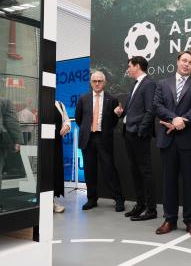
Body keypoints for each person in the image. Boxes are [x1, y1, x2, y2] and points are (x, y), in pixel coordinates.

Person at [152, 51, 191, 237]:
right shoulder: (162, 84)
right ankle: (170, 219)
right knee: (169, 182)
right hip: (168, 140)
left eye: (190, 62)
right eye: (184, 60)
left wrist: (183, 121)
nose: (186, 64)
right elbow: (157, 105)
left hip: (189, 141)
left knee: (190, 182)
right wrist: (174, 118)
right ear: (177, 61)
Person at [114, 56, 157, 221]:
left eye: (130, 66)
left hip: (138, 134)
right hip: (129, 133)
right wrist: (122, 113)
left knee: (145, 171)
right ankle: (140, 205)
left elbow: (150, 110)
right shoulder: (135, 85)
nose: (128, 69)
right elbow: (135, 111)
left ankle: (151, 210)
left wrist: (140, 130)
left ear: (137, 66)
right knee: (135, 171)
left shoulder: (148, 84)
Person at [75, 71, 125, 212]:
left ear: (105, 82)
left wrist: (118, 115)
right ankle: (91, 199)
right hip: (88, 139)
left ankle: (119, 199)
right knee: (89, 171)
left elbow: (114, 121)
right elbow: (79, 120)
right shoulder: (83, 99)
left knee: (109, 170)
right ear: (90, 82)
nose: (97, 83)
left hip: (104, 138)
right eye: (94, 81)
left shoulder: (112, 99)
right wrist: (87, 130)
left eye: (99, 81)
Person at [54, 100, 71, 213]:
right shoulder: (37, 100)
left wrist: (67, 126)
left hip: (56, 143)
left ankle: (52, 202)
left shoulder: (59, 104)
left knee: (54, 171)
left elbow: (66, 120)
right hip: (40, 144)